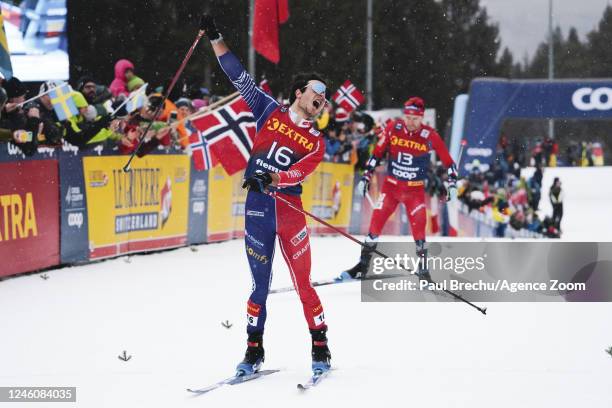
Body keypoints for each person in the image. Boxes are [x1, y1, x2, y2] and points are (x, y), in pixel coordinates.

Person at [200, 14, 332, 376]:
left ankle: (320, 347)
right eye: (317, 89)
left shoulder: (317, 141)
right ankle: (253, 350)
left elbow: (299, 173)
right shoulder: (268, 110)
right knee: (259, 285)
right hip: (258, 209)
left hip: (290, 212)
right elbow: (237, 75)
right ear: (299, 92)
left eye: (326, 96)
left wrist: (273, 176)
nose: (322, 97)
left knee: (303, 283)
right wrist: (216, 37)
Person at [339, 97, 457, 281]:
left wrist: (452, 184)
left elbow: (450, 163)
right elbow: (377, 154)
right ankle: (363, 265)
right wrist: (366, 176)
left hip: (414, 193)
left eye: (415, 119)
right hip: (391, 189)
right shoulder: (394, 128)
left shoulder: (430, 135)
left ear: (422, 118)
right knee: (375, 224)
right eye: (408, 117)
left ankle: (424, 271)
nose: (410, 122)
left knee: (419, 231)